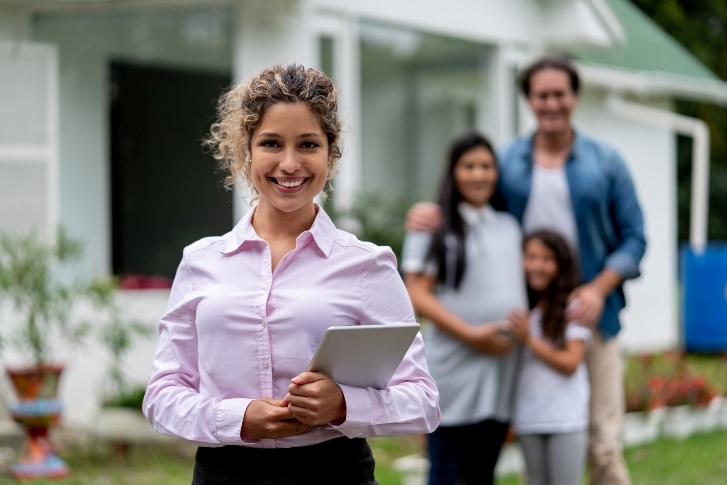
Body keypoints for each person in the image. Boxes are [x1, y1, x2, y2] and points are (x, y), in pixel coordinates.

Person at [142, 64, 441, 485]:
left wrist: (342, 405)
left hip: (335, 474)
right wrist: (238, 417)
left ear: (330, 152)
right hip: (223, 474)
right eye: (270, 143)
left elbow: (423, 400)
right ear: (245, 151)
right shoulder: (200, 261)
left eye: (307, 144)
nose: (289, 163)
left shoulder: (368, 265)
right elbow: (161, 397)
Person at [406, 56, 646, 485]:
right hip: (525, 324)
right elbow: (470, 207)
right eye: (542, 95)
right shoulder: (508, 162)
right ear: (529, 100)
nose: (551, 103)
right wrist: (428, 211)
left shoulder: (606, 161)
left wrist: (597, 289)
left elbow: (634, 238)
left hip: (592, 316)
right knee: (522, 434)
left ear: (575, 96)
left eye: (560, 94)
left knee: (603, 442)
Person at [402, 131, 528, 485]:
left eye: (486, 166)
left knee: (484, 470)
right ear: (453, 172)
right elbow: (417, 293)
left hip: (501, 365)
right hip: (455, 366)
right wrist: (473, 335)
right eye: (469, 166)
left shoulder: (509, 226)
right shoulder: (432, 225)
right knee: (447, 470)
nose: (478, 175)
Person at [512, 230, 590, 485]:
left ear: (560, 265)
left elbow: (570, 363)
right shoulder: (520, 307)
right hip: (528, 415)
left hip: (564, 417)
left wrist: (529, 339)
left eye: (546, 259)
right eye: (531, 257)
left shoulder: (574, 306)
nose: (537, 265)